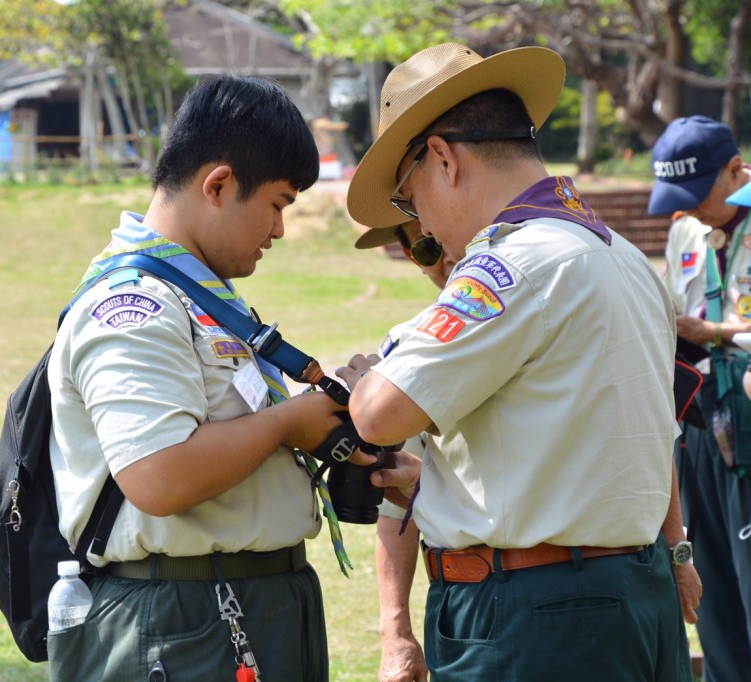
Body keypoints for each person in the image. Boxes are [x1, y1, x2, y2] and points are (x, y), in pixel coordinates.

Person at [340, 42, 696, 680]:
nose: (417, 221)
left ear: (443, 159)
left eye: (407, 194)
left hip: (538, 617)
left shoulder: (510, 267)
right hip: (633, 594)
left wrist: (367, 379)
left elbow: (377, 414)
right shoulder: (625, 259)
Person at [46, 74, 345, 681]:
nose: (281, 230)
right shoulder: (135, 306)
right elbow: (158, 475)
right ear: (219, 184)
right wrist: (290, 422)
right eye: (279, 204)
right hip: (186, 625)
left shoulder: (203, 298)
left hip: (237, 606)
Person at [647, 115, 751, 682]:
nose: (685, 209)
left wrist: (715, 333)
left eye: (696, 193)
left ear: (737, 170)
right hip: (698, 424)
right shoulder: (687, 229)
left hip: (750, 421)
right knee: (713, 600)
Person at [354, 220, 456, 682]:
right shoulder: (407, 348)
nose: (450, 256)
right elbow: (396, 508)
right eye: (430, 248)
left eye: (457, 234)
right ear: (413, 257)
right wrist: (395, 633)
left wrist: (676, 546)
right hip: (466, 602)